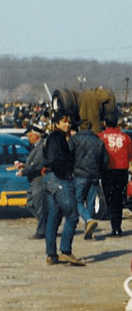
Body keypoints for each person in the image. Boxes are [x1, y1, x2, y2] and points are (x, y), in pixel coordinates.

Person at [41, 111, 85, 265]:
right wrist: (65, 172)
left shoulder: (54, 137)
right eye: (64, 122)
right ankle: (65, 251)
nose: (67, 124)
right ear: (57, 123)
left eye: (68, 122)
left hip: (50, 179)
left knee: (54, 216)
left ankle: (51, 254)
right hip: (59, 179)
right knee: (72, 215)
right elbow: (54, 159)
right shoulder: (57, 138)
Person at [69, 119, 108, 240]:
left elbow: (69, 156)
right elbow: (105, 160)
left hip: (79, 174)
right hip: (95, 175)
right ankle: (88, 227)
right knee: (90, 202)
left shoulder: (74, 139)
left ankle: (89, 220)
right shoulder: (98, 141)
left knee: (77, 201)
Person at [99, 117, 132, 236]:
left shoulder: (101, 136)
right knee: (118, 198)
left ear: (105, 123)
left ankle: (115, 226)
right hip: (122, 170)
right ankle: (117, 226)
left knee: (110, 198)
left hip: (108, 170)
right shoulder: (125, 137)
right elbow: (130, 154)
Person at [21, 128, 48, 239]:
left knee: (39, 205)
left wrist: (24, 171)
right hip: (34, 179)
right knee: (30, 201)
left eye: (29, 136)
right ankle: (47, 225)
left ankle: (42, 231)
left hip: (39, 178)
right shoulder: (37, 147)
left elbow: (37, 164)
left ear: (35, 136)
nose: (28, 138)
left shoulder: (41, 147)